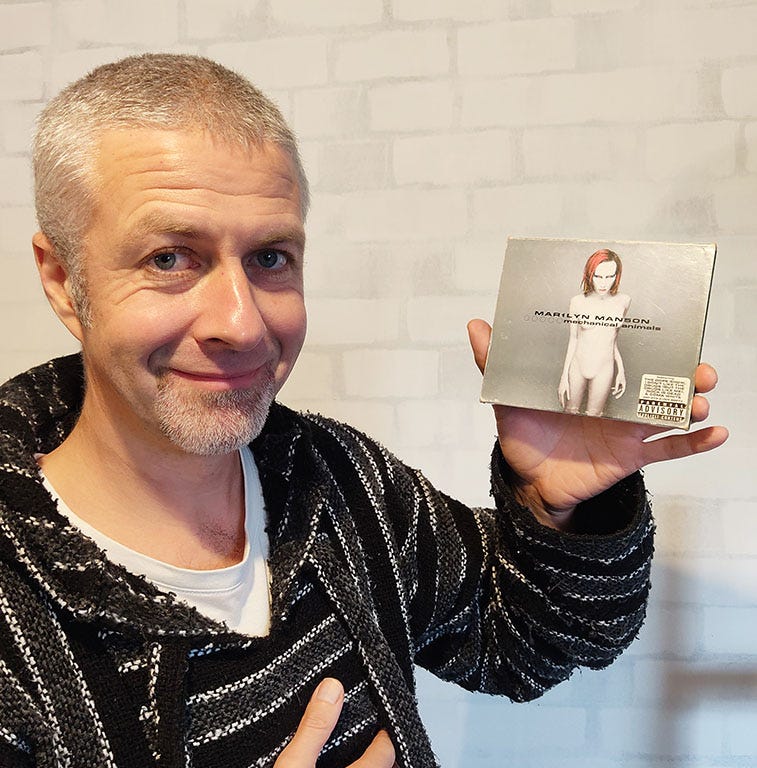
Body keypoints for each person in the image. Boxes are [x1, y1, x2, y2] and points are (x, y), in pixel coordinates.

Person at [0, 54, 727, 768]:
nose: (241, 324)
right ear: (62, 280)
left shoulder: (338, 481)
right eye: (169, 258)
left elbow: (527, 641)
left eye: (270, 257)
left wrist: (556, 506)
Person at [558, 249, 629, 417]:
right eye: (598, 276)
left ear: (617, 276)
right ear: (590, 274)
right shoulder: (577, 302)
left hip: (604, 368)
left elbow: (613, 340)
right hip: (578, 366)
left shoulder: (624, 301)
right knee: (569, 414)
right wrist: (564, 377)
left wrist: (621, 371)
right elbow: (573, 339)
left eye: (609, 276)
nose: (603, 283)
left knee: (595, 416)